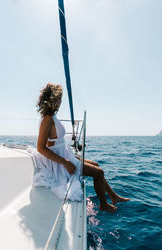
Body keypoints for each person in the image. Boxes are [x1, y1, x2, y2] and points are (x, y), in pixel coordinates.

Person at [27, 83, 130, 213]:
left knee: (96, 164)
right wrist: (65, 162)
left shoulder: (52, 116)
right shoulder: (47, 119)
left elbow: (57, 142)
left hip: (64, 155)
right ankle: (103, 205)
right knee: (99, 173)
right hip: (57, 164)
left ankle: (113, 196)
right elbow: (41, 148)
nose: (60, 102)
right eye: (59, 98)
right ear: (53, 99)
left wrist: (69, 156)